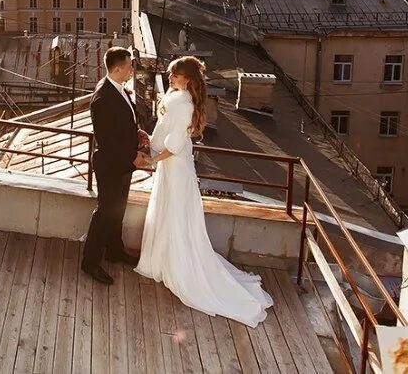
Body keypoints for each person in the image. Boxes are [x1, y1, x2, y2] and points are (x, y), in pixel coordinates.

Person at [135, 55, 273, 327]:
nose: (170, 78)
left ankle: (177, 266)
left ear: (187, 79)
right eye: (171, 73)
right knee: (171, 214)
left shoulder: (182, 105)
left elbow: (172, 147)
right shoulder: (181, 101)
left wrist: (149, 160)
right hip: (175, 167)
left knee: (175, 217)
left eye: (175, 75)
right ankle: (163, 261)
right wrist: (149, 141)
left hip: (175, 169)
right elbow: (168, 137)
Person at [81, 47, 153, 285]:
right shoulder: (102, 98)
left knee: (118, 209)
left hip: (122, 164)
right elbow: (107, 139)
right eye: (130, 65)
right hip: (111, 165)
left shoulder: (116, 88)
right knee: (105, 213)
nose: (133, 69)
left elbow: (121, 123)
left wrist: (137, 132)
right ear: (118, 68)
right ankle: (90, 263)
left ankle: (114, 251)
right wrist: (133, 156)